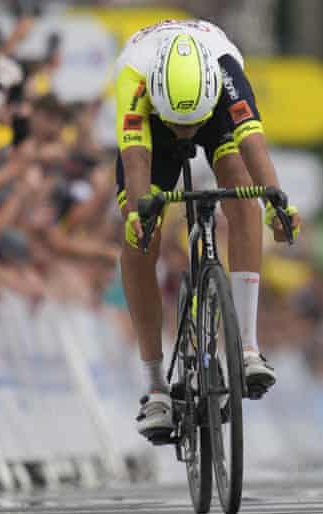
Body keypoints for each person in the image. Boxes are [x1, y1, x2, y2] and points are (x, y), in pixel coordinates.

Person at [113, 19, 300, 440]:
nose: (187, 135)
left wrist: (278, 202)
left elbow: (254, 146)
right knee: (142, 235)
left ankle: (248, 348)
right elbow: (137, 161)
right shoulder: (134, 80)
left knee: (244, 194)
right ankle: (156, 386)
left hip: (215, 109)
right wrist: (138, 217)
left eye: (191, 124)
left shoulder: (227, 72)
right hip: (149, 129)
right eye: (179, 125)